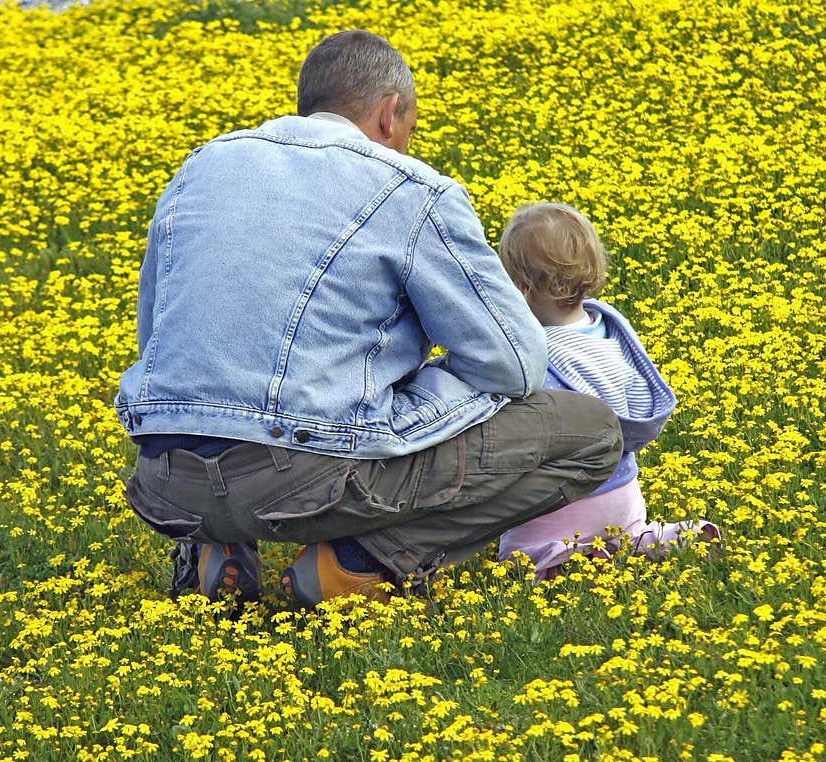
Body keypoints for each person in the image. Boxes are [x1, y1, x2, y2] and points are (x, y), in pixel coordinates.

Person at [114, 30, 624, 615]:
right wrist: (418, 390)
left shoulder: (201, 167)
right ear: (389, 116)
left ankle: (213, 543)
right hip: (303, 482)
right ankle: (358, 562)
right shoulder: (409, 190)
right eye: (409, 129)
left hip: (165, 482)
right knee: (590, 432)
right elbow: (514, 361)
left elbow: (154, 333)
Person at [495, 201, 721, 578]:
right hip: (623, 493)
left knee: (515, 551)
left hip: (566, 501)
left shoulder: (537, 354)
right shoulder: (609, 331)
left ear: (525, 289)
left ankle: (564, 555)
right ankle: (667, 538)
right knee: (630, 534)